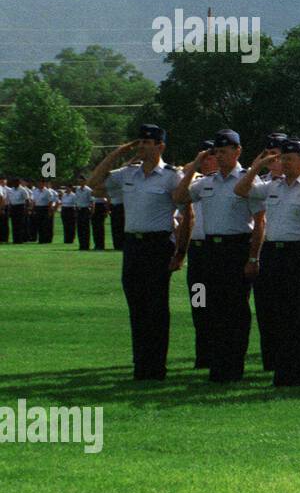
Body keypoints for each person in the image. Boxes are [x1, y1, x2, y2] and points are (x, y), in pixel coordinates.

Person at [87, 125, 185, 380]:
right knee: (137, 307)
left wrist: (180, 253)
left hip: (158, 245)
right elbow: (93, 183)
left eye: (147, 143)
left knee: (156, 308)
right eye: (139, 142)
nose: (142, 147)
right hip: (133, 246)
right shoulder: (127, 174)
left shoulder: (171, 176)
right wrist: (118, 153)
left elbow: (188, 215)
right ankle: (141, 366)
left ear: (160, 145)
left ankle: (156, 367)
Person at [235, 139, 300, 386]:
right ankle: (281, 370)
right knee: (276, 315)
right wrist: (258, 165)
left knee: (298, 316)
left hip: (299, 253)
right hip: (273, 254)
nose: (284, 162)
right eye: (282, 158)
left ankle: (296, 372)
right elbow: (241, 190)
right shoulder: (272, 186)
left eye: (290, 158)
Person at [173, 130, 265, 383]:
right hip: (211, 251)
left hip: (236, 249)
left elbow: (260, 222)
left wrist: (253, 258)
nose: (220, 156)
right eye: (217, 152)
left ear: (238, 151)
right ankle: (216, 364)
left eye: (225, 151)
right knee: (212, 309)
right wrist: (194, 165)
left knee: (235, 310)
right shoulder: (207, 182)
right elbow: (179, 197)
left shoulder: (249, 182)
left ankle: (233, 366)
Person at [185, 141, 217, 368]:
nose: (207, 160)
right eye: (204, 157)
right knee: (199, 303)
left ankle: (219, 353)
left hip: (218, 250)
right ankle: (203, 354)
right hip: (197, 253)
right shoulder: (196, 185)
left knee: (221, 305)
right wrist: (193, 165)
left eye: (211, 155)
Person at [72, 175, 94, 250]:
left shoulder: (88, 190)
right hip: (79, 209)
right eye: (79, 181)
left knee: (85, 229)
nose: (80, 182)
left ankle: (86, 245)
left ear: (85, 181)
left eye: (81, 181)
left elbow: (92, 202)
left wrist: (91, 212)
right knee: (79, 228)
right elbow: (76, 200)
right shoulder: (77, 189)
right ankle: (81, 245)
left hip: (85, 209)